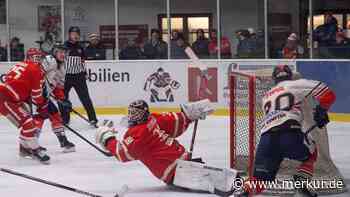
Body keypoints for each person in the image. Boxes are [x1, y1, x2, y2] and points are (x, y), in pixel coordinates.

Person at [95, 99, 240, 196]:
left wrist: (107, 138)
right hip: (179, 169)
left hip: (180, 170)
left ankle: (255, 183)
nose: (132, 116)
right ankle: (255, 183)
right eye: (131, 113)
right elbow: (173, 121)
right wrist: (188, 116)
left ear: (145, 113)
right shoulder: (152, 120)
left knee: (232, 182)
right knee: (233, 182)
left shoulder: (137, 133)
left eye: (136, 113)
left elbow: (122, 153)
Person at [240, 65, 336, 196]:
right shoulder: (296, 84)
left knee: (258, 181)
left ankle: (243, 193)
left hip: (266, 139)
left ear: (274, 79)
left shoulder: (266, 97)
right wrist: (321, 110)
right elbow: (327, 93)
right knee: (311, 153)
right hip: (289, 133)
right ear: (290, 76)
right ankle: (302, 181)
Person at [0, 47, 57, 164]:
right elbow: (36, 95)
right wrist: (42, 106)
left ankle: (24, 149)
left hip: (10, 97)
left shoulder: (21, 64)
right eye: (36, 57)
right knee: (28, 123)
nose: (37, 60)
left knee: (28, 122)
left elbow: (13, 81)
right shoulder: (36, 70)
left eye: (38, 58)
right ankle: (34, 150)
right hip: (6, 98)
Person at [34, 45, 76, 153]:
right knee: (41, 116)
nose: (63, 54)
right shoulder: (50, 60)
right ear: (55, 53)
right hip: (35, 94)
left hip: (43, 95)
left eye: (64, 52)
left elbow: (57, 87)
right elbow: (36, 74)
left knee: (53, 116)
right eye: (60, 52)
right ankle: (31, 144)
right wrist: (41, 90)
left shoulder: (63, 67)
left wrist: (63, 100)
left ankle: (62, 141)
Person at [61, 26, 98, 126]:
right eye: (73, 34)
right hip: (66, 76)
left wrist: (84, 73)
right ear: (69, 35)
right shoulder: (63, 46)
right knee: (63, 98)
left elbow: (82, 61)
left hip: (79, 76)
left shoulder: (81, 47)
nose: (75, 35)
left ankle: (93, 118)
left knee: (85, 98)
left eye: (77, 34)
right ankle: (65, 119)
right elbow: (59, 61)